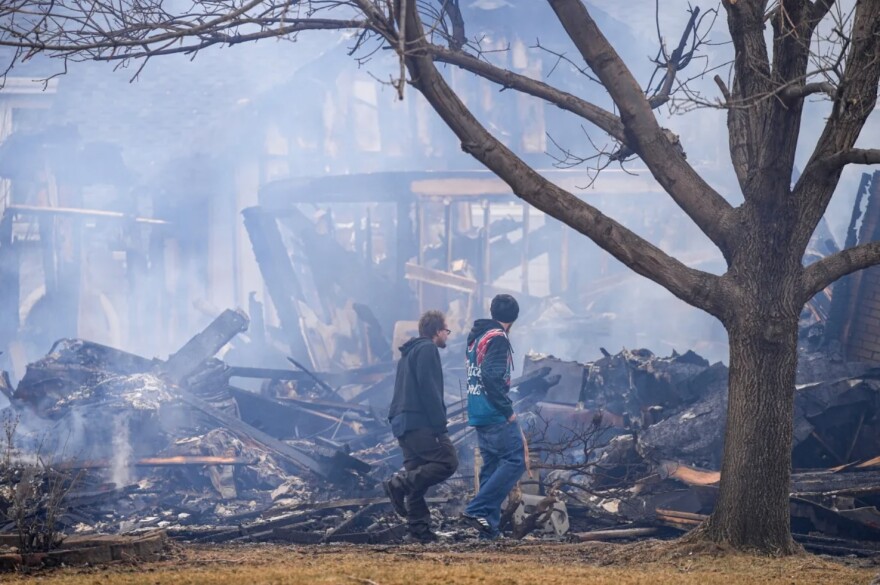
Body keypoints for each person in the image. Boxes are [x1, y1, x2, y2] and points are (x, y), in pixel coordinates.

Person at [383, 310, 458, 543]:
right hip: (420, 422)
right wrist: (439, 425)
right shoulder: (427, 349)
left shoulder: (408, 353)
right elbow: (429, 389)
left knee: (418, 476)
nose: (447, 335)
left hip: (403, 423)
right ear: (437, 331)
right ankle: (398, 484)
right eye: (446, 331)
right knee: (447, 462)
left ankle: (419, 531)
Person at [461, 294, 526, 540]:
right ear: (514, 318)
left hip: (478, 411)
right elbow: (490, 376)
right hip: (494, 412)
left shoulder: (478, 337)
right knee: (515, 460)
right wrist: (508, 411)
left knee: (491, 467)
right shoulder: (498, 339)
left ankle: (488, 530)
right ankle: (477, 508)